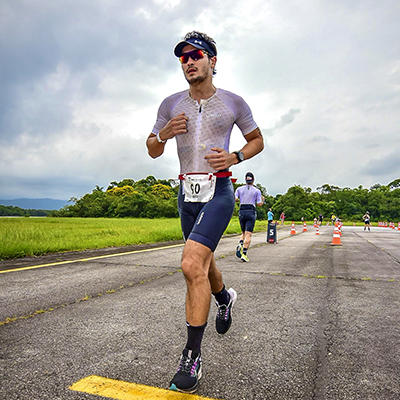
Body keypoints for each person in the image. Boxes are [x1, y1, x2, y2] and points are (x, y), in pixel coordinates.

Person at [146, 31, 264, 393]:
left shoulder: (232, 102)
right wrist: (162, 134)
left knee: (190, 264)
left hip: (220, 191)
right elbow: (151, 149)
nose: (189, 61)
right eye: (183, 57)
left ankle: (192, 357)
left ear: (213, 61)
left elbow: (257, 139)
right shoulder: (170, 104)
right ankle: (225, 296)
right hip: (187, 194)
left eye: (197, 55)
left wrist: (235, 157)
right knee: (204, 263)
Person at [234, 172, 264, 262]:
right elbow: (259, 204)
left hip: (242, 210)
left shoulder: (239, 189)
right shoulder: (256, 191)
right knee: (248, 234)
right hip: (250, 210)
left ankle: (240, 243)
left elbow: (235, 198)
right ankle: (244, 253)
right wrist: (262, 200)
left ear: (245, 179)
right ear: (253, 180)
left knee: (243, 232)